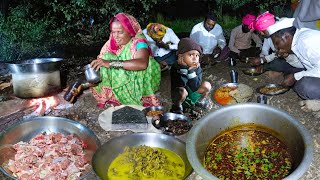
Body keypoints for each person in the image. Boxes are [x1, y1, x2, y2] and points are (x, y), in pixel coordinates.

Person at [89, 13, 161, 108]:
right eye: (113, 32)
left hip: (142, 79)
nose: (116, 36)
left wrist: (110, 63)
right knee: (106, 57)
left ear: (130, 31)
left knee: (109, 61)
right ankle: (113, 94)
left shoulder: (139, 42)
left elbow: (142, 64)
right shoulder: (112, 41)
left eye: (120, 32)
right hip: (126, 72)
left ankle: (132, 94)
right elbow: (103, 59)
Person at [271, 26, 320, 103]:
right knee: (290, 71)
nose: (278, 49)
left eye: (277, 44)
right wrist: (287, 57)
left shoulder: (306, 41)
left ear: (287, 36)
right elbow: (304, 65)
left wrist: (295, 77)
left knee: (305, 86)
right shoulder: (298, 41)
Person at [170, 38, 212, 114]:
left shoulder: (197, 68)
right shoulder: (175, 68)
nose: (195, 58)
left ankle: (199, 101)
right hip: (181, 97)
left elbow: (195, 86)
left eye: (197, 55)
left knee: (207, 85)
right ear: (181, 56)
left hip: (193, 93)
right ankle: (177, 107)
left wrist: (191, 72)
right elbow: (181, 85)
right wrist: (183, 68)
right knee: (181, 91)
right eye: (191, 54)